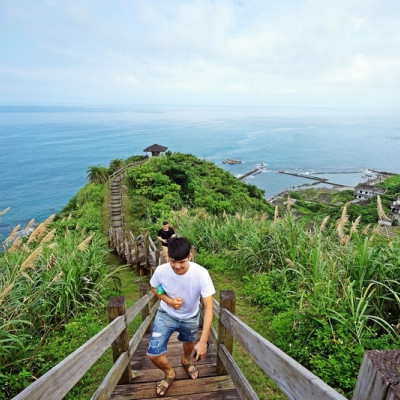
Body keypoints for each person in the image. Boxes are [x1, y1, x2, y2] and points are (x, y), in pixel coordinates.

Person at [146, 237, 215, 397]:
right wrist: (168, 300)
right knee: (152, 354)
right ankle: (169, 373)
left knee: (188, 342)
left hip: (190, 317)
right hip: (166, 314)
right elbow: (155, 287)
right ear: (168, 257)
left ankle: (186, 360)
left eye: (182, 262)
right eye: (173, 261)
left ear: (190, 256)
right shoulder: (161, 271)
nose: (177, 266)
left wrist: (203, 341)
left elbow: (209, 308)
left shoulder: (201, 274)